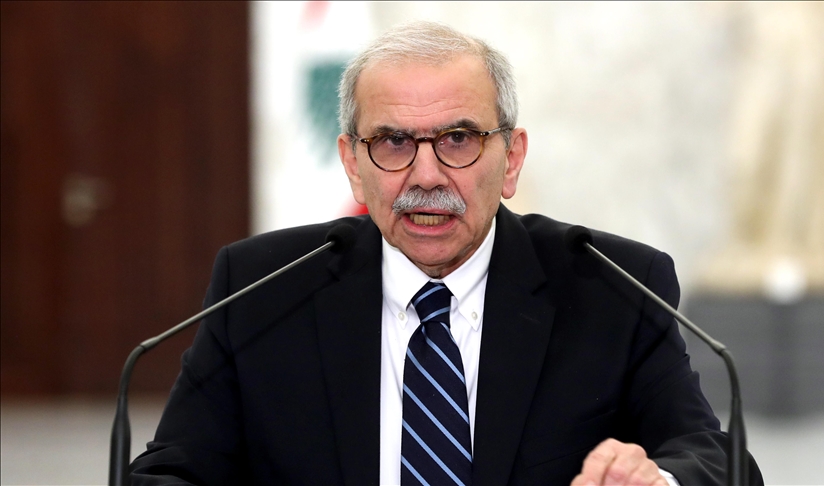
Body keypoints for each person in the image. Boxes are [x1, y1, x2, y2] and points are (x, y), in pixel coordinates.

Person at [130, 22, 762, 485]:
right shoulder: (263, 289)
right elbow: (170, 472)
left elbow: (719, 461)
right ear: (352, 165)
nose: (426, 176)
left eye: (459, 139)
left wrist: (659, 482)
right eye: (393, 142)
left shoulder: (612, 287)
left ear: (511, 159)